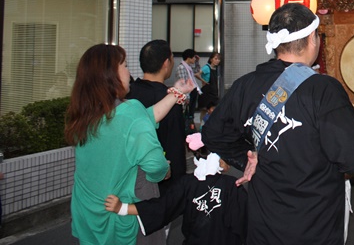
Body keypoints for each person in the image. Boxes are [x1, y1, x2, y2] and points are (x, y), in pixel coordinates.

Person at [202, 3, 354, 245]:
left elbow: (213, 133)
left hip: (263, 227)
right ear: (312, 38)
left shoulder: (244, 85)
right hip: (315, 226)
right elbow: (350, 159)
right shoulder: (324, 90)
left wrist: (246, 158)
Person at [64, 44, 193, 244]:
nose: (129, 71)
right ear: (111, 75)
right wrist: (164, 171)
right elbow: (155, 165)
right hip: (121, 215)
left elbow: (144, 118)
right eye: (124, 65)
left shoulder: (85, 113)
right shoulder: (130, 112)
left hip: (87, 213)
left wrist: (176, 92)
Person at [104, 133, 248, 245]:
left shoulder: (187, 183)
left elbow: (162, 207)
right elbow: (246, 221)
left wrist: (122, 208)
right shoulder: (233, 185)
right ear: (219, 160)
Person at [127, 40, 187, 194]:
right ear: (166, 63)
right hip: (160, 181)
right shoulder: (170, 100)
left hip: (129, 179)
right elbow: (175, 146)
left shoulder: (128, 94)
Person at [177, 49, 203, 130]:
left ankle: (190, 128)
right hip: (188, 93)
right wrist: (186, 96)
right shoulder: (181, 67)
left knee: (191, 113)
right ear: (189, 58)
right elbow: (183, 83)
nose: (195, 59)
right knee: (187, 113)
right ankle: (186, 129)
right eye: (194, 57)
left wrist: (197, 62)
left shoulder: (188, 67)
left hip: (193, 91)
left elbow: (197, 71)